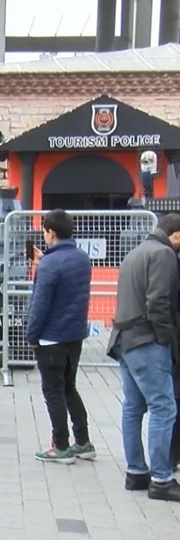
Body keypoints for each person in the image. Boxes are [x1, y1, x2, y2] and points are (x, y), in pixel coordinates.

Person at [108, 213, 180, 501]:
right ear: (176, 234)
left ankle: (136, 472)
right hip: (147, 340)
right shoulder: (163, 255)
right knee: (164, 408)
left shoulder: (136, 252)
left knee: (133, 408)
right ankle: (161, 478)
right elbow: (158, 301)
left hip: (124, 338)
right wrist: (167, 338)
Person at [26, 209, 95, 464]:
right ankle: (83, 441)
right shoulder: (81, 258)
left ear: (50, 232)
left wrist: (31, 335)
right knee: (69, 387)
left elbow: (40, 305)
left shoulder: (49, 264)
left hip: (51, 338)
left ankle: (61, 445)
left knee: (53, 391)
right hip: (74, 334)